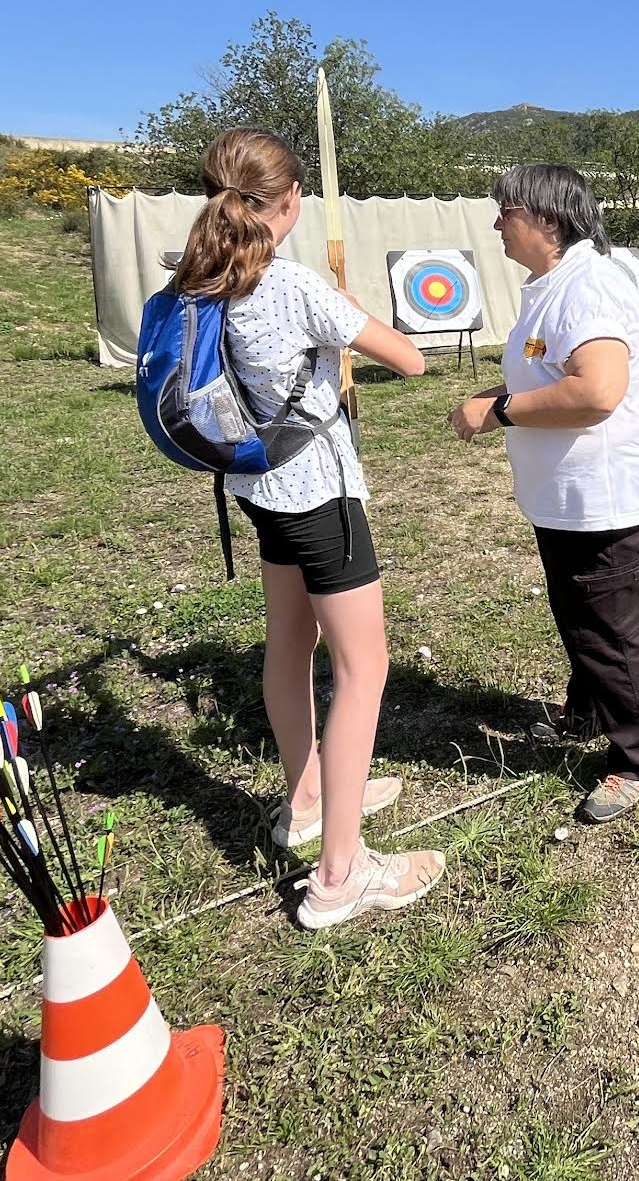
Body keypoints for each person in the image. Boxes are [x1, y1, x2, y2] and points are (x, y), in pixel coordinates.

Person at [170, 128, 445, 930]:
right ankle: (339, 876)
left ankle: (308, 800)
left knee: (290, 645)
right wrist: (348, 310)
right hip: (319, 495)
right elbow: (410, 359)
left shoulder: (202, 278)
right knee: (365, 670)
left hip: (257, 484)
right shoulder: (288, 286)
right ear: (289, 202)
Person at [448, 165, 639, 825]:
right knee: (580, 610)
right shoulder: (556, 281)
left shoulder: (591, 285)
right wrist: (501, 399)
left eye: (506, 212)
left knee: (610, 629)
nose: (496, 224)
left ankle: (637, 756)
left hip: (602, 494)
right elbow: (552, 372)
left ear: (547, 220)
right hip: (569, 494)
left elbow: (594, 391)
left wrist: (499, 412)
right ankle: (586, 712)